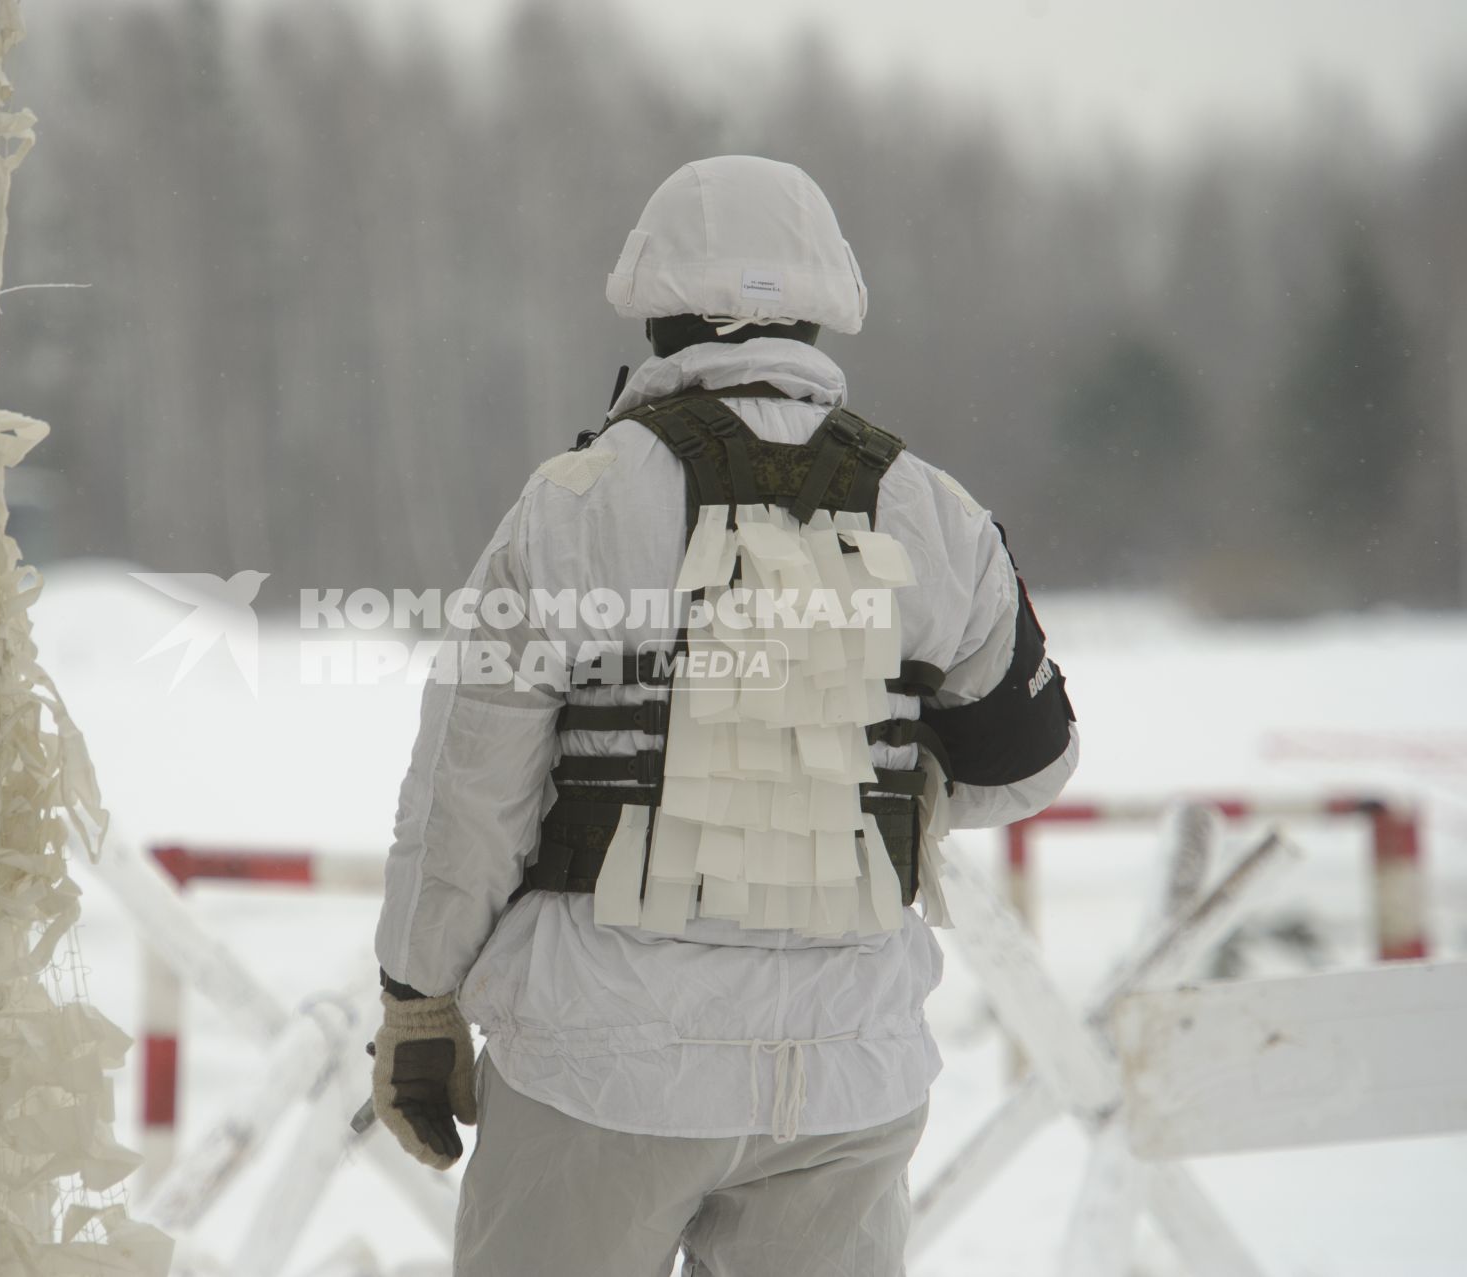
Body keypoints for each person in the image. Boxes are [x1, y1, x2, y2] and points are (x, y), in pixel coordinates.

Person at [370, 155, 1078, 1276]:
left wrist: (418, 1000)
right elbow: (1033, 758)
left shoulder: (577, 504)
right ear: (824, 310)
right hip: (847, 1081)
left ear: (655, 310)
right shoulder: (934, 509)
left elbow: (469, 788)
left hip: (601, 1066)